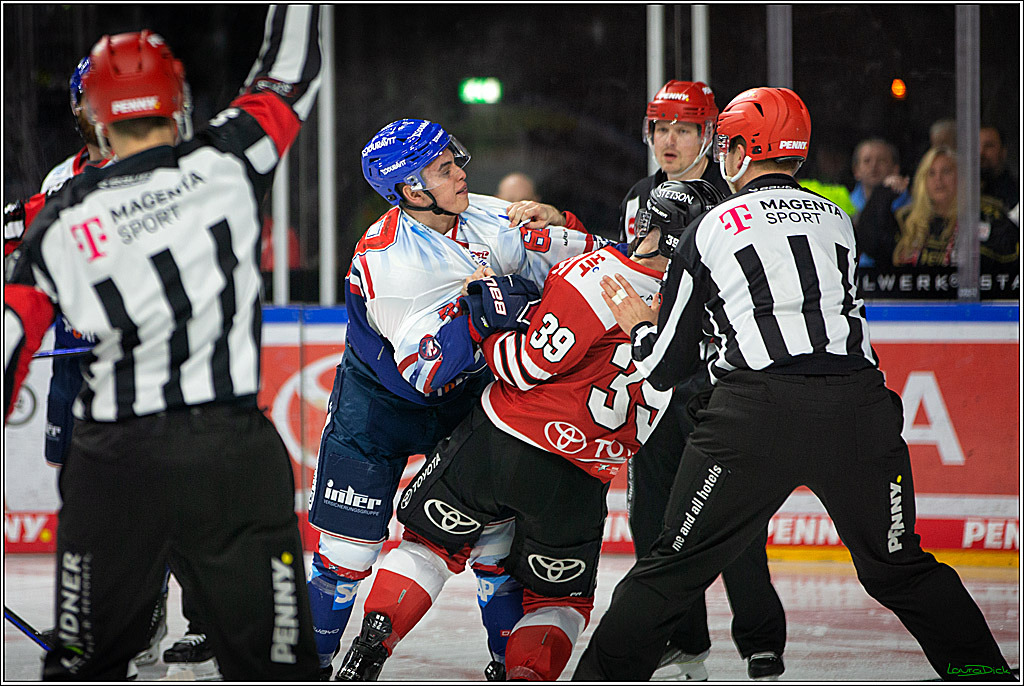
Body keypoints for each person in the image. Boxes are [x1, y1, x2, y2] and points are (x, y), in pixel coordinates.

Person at [572, 86, 1014, 681]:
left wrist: (639, 329)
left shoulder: (708, 229)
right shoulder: (837, 220)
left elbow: (665, 369)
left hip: (755, 415)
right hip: (859, 409)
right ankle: (982, 673)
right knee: (899, 568)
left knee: (671, 570)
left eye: (726, 145)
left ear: (739, 151)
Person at [4, 5, 322, 679]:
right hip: (229, 453)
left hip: (114, 464)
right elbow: (290, 74)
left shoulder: (57, 214)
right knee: (277, 667)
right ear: (178, 102)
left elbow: (9, 343)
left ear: (93, 115)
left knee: (85, 667)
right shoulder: (229, 159)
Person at [334, 179, 722, 682]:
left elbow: (525, 365)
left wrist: (492, 325)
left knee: (427, 546)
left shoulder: (596, 275)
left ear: (647, 222)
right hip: (584, 478)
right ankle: (526, 676)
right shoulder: (707, 314)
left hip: (503, 443)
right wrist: (560, 221)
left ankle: (376, 636)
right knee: (558, 602)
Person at [307, 117, 605, 680]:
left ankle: (505, 665)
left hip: (466, 399)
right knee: (344, 558)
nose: (461, 172)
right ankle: (311, 666)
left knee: (495, 544)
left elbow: (586, 260)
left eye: (455, 160)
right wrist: (479, 316)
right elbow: (423, 372)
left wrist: (560, 224)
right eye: (445, 169)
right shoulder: (390, 263)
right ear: (413, 190)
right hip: (379, 409)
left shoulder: (486, 214)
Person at [617, 79, 787, 681]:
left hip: (721, 382)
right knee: (653, 519)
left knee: (733, 522)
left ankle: (761, 643)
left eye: (682, 129)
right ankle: (683, 639)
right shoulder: (640, 194)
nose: (668, 140)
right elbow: (625, 273)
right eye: (660, 128)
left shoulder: (733, 197)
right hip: (657, 380)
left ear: (711, 135)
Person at [979, 124, 1019, 215]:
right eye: (975, 146)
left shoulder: (1016, 191)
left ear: (1003, 152)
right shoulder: (961, 192)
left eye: (989, 146)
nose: (981, 152)